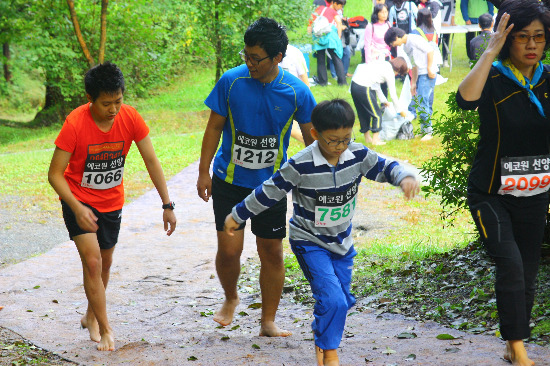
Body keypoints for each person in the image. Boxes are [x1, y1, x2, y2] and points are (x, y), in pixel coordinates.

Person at [223, 99, 419, 366]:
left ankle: (321, 333)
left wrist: (404, 177)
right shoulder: (301, 164)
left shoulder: (357, 156)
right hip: (309, 241)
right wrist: (238, 215)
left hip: (342, 244)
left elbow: (386, 166)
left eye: (345, 139)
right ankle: (329, 353)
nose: (339, 147)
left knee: (341, 301)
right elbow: (270, 190)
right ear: (315, 134)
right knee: (333, 299)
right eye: (332, 141)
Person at [196, 17, 317, 337]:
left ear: (278, 57)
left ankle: (268, 321)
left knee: (272, 253)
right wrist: (203, 171)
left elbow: (311, 139)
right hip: (229, 183)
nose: (249, 63)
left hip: (272, 186)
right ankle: (231, 297)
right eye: (245, 55)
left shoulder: (296, 91)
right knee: (229, 250)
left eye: (256, 58)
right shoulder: (231, 82)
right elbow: (214, 127)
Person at [47, 62, 177, 351]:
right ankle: (105, 328)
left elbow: (151, 160)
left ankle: (91, 315)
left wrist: (167, 203)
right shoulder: (75, 123)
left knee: (104, 264)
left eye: (118, 101)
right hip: (78, 199)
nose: (114, 109)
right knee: (92, 262)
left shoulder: (130, 117)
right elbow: (54, 174)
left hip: (111, 203)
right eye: (106, 104)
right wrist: (76, 207)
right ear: (90, 99)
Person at [457, 1, 550, 365]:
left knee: (527, 271)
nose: (531, 45)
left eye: (539, 38)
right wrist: (490, 49)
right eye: (522, 37)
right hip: (491, 194)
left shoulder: (546, 80)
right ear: (508, 40)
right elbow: (466, 99)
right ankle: (517, 345)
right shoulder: (493, 77)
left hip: (535, 194)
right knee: (510, 264)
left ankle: (514, 345)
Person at [385, 27, 436, 140]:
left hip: (427, 74)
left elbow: (430, 50)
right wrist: (413, 82)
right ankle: (424, 131)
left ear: (396, 37)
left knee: (423, 101)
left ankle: (429, 132)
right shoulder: (406, 46)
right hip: (420, 74)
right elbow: (414, 64)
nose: (392, 45)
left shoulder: (413, 39)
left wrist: (429, 68)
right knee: (419, 101)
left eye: (391, 42)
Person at [350, 57, 409, 145]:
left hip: (354, 85)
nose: (397, 75)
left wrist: (384, 101)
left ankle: (367, 138)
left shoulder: (383, 64)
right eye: (399, 73)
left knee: (363, 112)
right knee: (377, 115)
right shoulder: (389, 72)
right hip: (363, 86)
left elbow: (376, 85)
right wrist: (400, 111)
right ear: (398, 69)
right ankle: (375, 140)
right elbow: (393, 95)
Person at [311, 0, 348, 86]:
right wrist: (338, 37)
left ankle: (323, 82)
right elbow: (339, 22)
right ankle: (342, 82)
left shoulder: (314, 13)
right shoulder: (331, 11)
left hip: (318, 37)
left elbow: (310, 28)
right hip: (330, 37)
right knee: (336, 58)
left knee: (320, 60)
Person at [279, 44, 310, 144]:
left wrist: (307, 100)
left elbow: (304, 77)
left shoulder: (295, 53)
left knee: (292, 131)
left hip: (294, 99)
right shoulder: (267, 53)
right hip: (277, 99)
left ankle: (317, 148)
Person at [439, 0, 456, 67]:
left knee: (446, 41)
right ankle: (437, 60)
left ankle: (445, 60)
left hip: (447, 22)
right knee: (437, 41)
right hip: (438, 22)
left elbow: (453, 8)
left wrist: (452, 20)